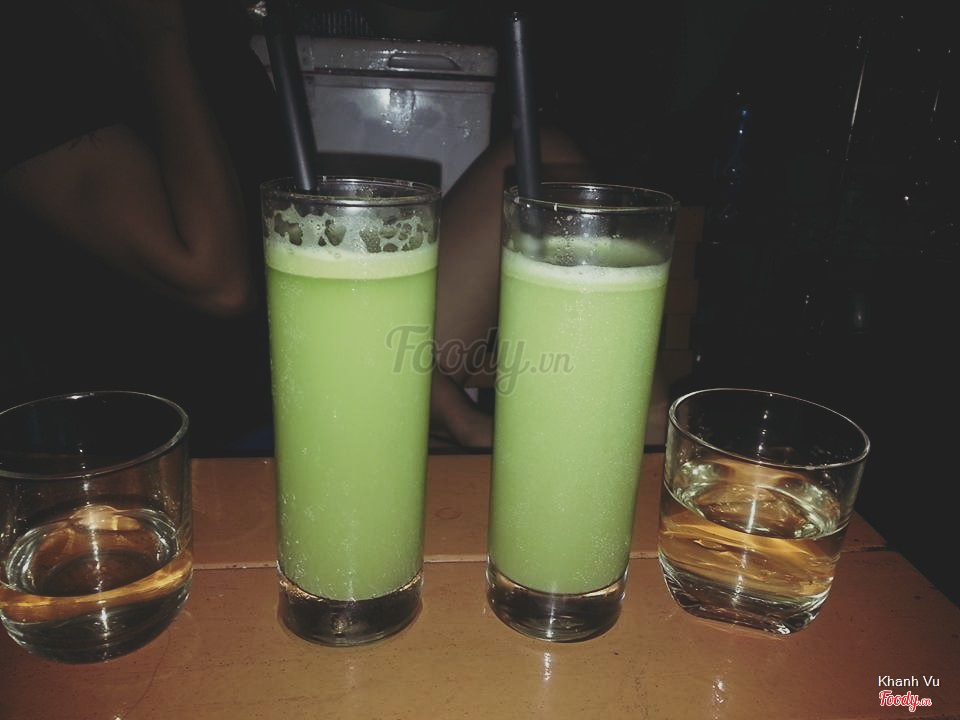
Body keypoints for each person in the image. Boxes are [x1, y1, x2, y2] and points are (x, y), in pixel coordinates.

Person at [0, 0, 588, 454]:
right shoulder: (33, 47)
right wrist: (160, 40)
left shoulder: (219, 40)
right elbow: (217, 281)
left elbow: (298, 270)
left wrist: (443, 400)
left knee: (549, 158)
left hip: (308, 365)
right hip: (181, 440)